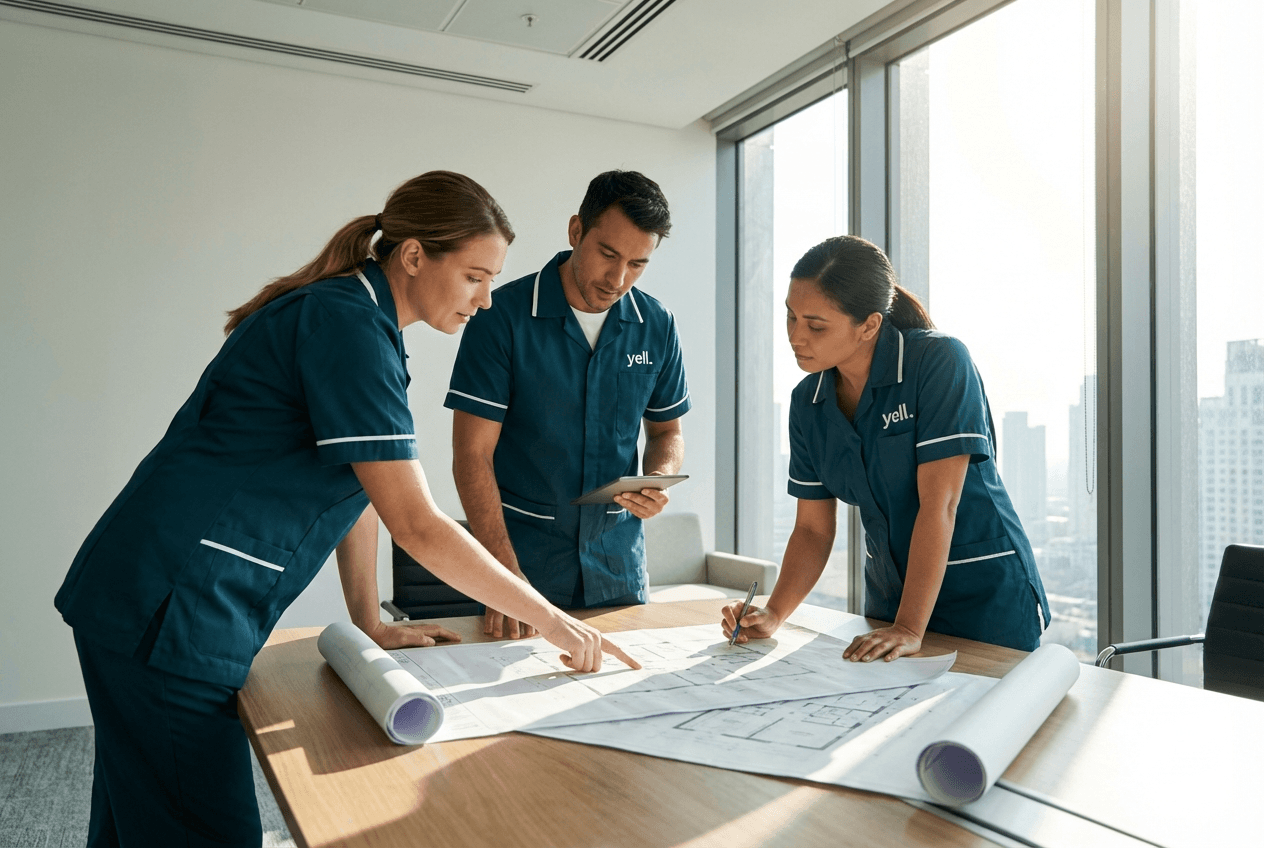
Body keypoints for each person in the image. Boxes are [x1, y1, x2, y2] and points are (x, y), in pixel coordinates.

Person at [54, 171, 639, 848]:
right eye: (475, 277)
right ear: (415, 256)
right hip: (169, 602)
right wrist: (553, 620)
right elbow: (416, 523)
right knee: (202, 829)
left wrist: (369, 622)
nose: (484, 300)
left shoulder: (362, 321)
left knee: (138, 821)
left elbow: (359, 493)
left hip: (151, 590)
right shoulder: (347, 326)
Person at [722, 235, 1050, 661]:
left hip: (982, 602)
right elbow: (812, 529)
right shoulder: (809, 402)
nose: (795, 336)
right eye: (790, 317)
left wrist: (910, 627)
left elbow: (941, 504)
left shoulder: (940, 362)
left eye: (816, 325)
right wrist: (774, 613)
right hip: (890, 605)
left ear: (870, 325)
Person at [445, 170, 690, 639]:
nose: (618, 279)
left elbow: (667, 433)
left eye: (638, 264)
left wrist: (658, 478)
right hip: (521, 571)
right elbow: (470, 456)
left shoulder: (657, 324)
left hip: (619, 572)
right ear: (576, 231)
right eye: (608, 254)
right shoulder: (500, 318)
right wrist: (504, 576)